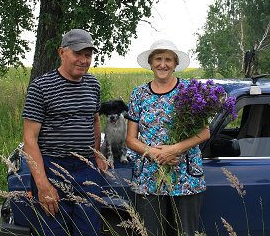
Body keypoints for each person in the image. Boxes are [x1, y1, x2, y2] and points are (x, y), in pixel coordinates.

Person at [22, 28, 107, 236]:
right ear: (62, 52)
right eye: (78, 54)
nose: (84, 60)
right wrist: (42, 185)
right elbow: (29, 138)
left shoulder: (93, 84)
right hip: (52, 166)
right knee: (54, 229)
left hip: (86, 167)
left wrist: (97, 154)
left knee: (89, 229)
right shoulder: (41, 87)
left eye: (88, 55)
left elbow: (95, 121)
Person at [126, 39, 210, 236]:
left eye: (168, 60)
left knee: (185, 232)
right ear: (151, 62)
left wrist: (175, 149)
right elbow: (130, 139)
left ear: (175, 64)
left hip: (185, 176)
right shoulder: (139, 94)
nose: (162, 64)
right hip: (149, 177)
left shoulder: (189, 91)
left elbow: (205, 132)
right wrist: (155, 153)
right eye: (158, 59)